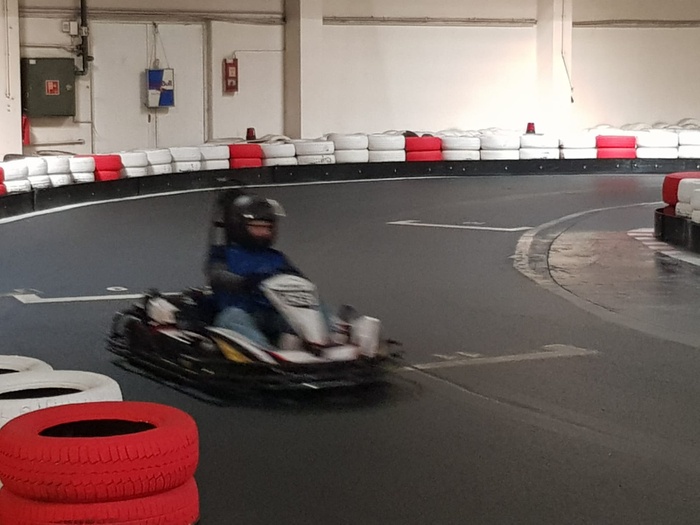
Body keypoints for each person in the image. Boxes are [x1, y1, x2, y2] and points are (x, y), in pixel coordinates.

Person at [205, 189, 334, 350]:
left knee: (317, 303)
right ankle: (266, 351)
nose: (263, 232)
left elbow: (301, 281)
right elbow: (217, 276)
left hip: (275, 313)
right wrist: (246, 282)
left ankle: (324, 343)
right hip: (246, 313)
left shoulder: (276, 257)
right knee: (231, 317)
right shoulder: (222, 254)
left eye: (267, 228)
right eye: (257, 227)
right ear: (239, 227)